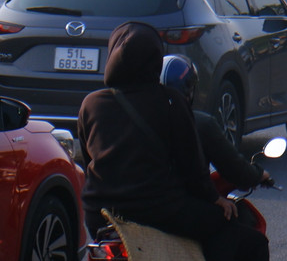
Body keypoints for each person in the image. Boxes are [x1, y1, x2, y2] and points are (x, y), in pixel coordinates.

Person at [77, 22, 269, 261]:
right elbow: (192, 166)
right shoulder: (170, 101)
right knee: (245, 238)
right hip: (158, 210)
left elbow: (88, 158)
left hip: (100, 215)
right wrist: (214, 199)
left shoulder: (91, 104)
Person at [159, 55, 273, 192]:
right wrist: (258, 174)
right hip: (182, 200)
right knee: (230, 207)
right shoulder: (200, 124)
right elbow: (233, 166)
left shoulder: (143, 122)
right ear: (188, 89)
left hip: (143, 199)